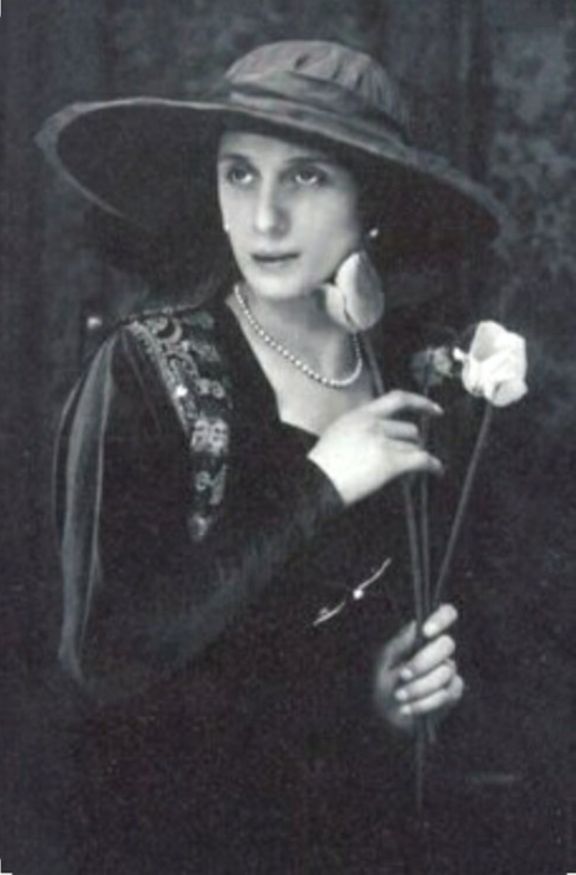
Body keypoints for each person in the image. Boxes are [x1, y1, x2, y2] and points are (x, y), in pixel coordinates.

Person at [38, 40, 502, 874]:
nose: (264, 219)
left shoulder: (416, 371)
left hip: (358, 832)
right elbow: (104, 656)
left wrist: (391, 696)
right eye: (239, 173)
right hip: (176, 840)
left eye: (307, 177)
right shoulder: (148, 369)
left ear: (371, 199)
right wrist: (320, 482)